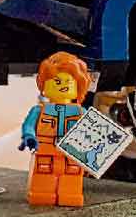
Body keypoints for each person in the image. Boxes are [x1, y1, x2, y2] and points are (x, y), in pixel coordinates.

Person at [18, 51, 92, 207]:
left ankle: (70, 195)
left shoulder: (81, 112)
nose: (63, 86)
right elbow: (29, 125)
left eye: (68, 82)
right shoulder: (39, 110)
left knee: (72, 176)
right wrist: (29, 136)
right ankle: (42, 194)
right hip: (45, 151)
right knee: (43, 174)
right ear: (44, 84)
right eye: (57, 81)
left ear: (79, 85)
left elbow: (93, 134)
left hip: (72, 154)